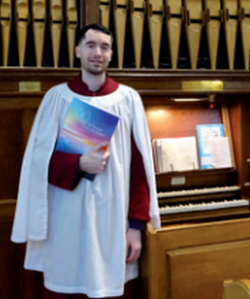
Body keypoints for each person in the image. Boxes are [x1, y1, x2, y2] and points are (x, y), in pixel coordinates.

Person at [11, 23, 160, 299]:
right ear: (78, 51)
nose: (97, 53)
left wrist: (136, 227)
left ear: (111, 54)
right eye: (90, 45)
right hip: (65, 219)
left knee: (109, 288)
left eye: (104, 47)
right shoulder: (57, 98)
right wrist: (79, 164)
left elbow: (140, 170)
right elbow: (37, 165)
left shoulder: (127, 99)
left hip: (112, 221)